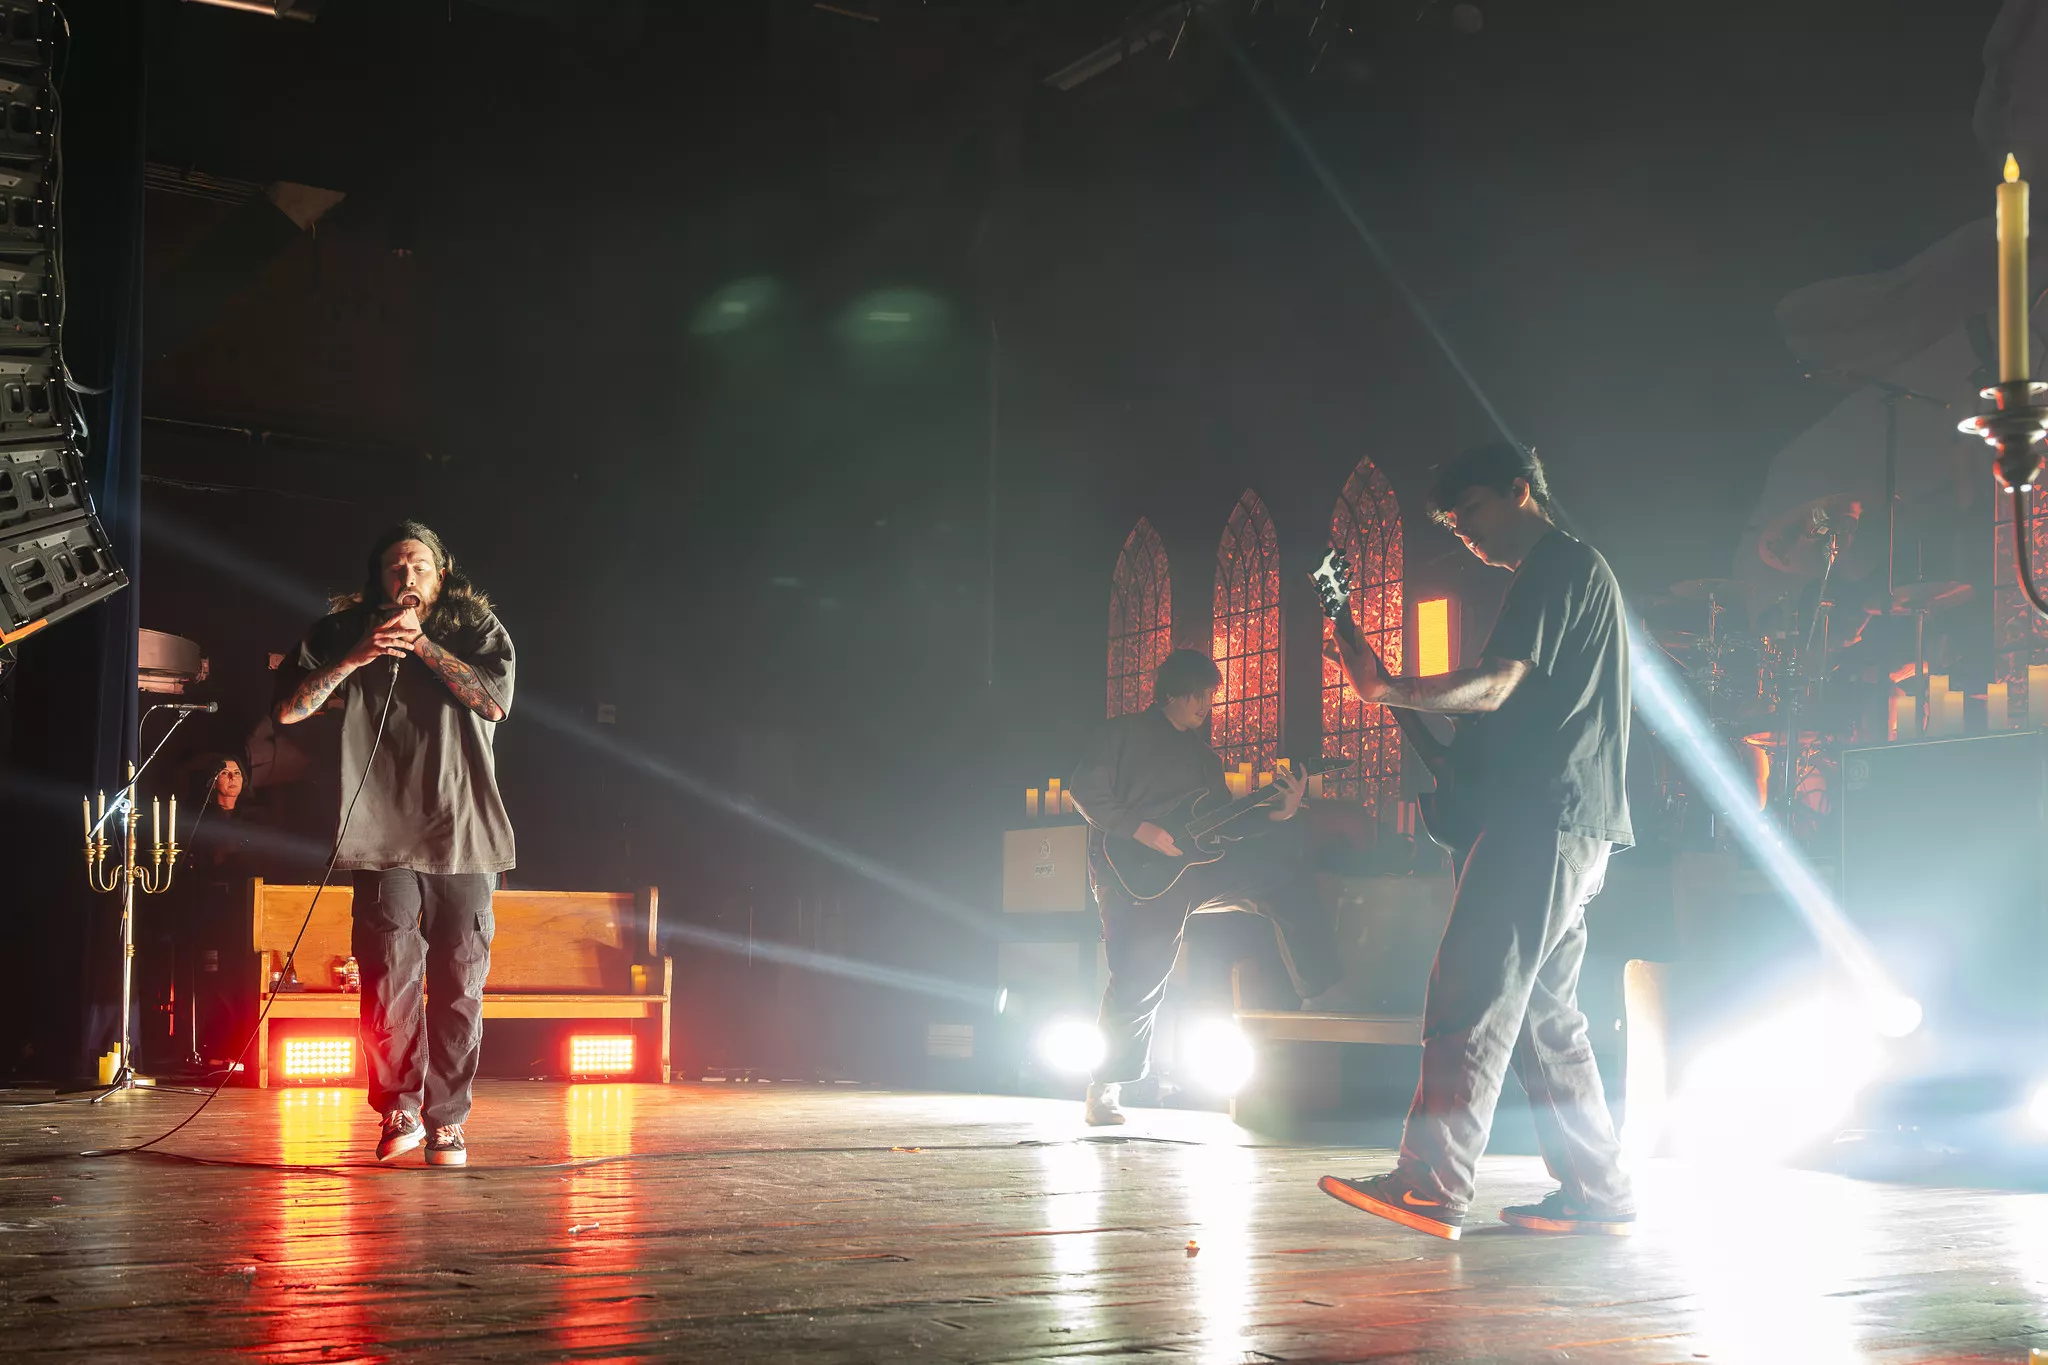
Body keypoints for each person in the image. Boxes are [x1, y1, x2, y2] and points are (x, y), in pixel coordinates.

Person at [1320, 442, 1635, 1240]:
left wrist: (1390, 688)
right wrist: (1392, 691)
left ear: (1520, 492)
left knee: (1471, 991)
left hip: (1544, 820)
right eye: (1454, 525)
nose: (1464, 533)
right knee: (1544, 1019)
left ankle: (1431, 1183)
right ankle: (1598, 1189)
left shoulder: (1559, 566)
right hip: (1571, 821)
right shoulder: (1566, 574)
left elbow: (1496, 685)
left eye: (1472, 513)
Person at [274, 522, 515, 1168]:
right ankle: (399, 1107)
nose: (406, 577)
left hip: (462, 832)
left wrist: (426, 647)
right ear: (377, 579)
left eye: (419, 566)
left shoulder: (475, 630)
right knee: (388, 977)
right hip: (381, 834)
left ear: (441, 576)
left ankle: (448, 1120)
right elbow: (289, 710)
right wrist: (356, 655)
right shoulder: (344, 634)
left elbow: (494, 703)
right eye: (394, 568)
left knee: (461, 981)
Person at [1067, 647, 1335, 1126]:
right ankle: (1104, 1088)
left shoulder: (1203, 758)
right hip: (1130, 870)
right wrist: (1139, 828)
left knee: (1284, 876)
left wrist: (1283, 809)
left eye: (1210, 698)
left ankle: (1320, 991)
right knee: (1139, 976)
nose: (1206, 706)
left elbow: (1224, 825)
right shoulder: (1122, 734)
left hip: (1193, 869)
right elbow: (1085, 791)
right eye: (1201, 696)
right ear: (1175, 691)